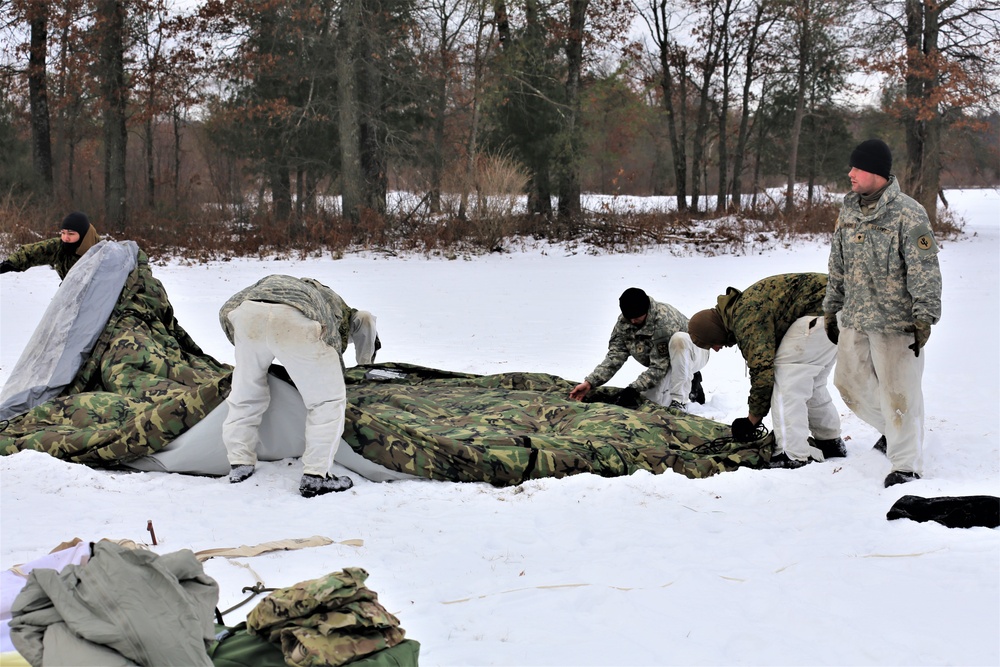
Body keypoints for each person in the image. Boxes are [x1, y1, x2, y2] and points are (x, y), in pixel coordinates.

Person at [823, 138, 942, 488]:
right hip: (856, 317)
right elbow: (837, 265)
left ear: (876, 171)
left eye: (857, 168)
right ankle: (895, 430)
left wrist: (924, 315)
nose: (850, 173)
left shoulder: (908, 213)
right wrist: (832, 307)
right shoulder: (849, 211)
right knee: (848, 383)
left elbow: (925, 269)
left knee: (898, 394)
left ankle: (905, 465)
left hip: (896, 323)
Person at [218, 274, 380, 497]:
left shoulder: (282, 283)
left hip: (248, 314)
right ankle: (316, 476)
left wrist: (250, 346)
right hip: (294, 319)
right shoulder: (338, 309)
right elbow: (331, 348)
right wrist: (340, 376)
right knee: (327, 401)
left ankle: (240, 462)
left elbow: (227, 309)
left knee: (246, 393)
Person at [687, 273, 845, 467]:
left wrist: (752, 420)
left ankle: (791, 453)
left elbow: (763, 373)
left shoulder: (745, 317)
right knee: (811, 382)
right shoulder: (744, 307)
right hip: (843, 308)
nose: (717, 348)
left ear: (714, 330)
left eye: (712, 343)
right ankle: (830, 441)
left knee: (786, 383)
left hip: (822, 314)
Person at [569, 287, 709, 411]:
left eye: (636, 317)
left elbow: (659, 367)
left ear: (646, 310)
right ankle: (688, 380)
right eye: (629, 317)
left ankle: (681, 399)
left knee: (679, 340)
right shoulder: (625, 323)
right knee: (649, 401)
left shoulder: (664, 320)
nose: (633, 322)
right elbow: (615, 356)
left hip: (695, 351)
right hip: (667, 361)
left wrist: (633, 388)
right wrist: (590, 382)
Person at [0, 212, 100, 280]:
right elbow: (31, 252)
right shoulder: (60, 247)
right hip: (72, 299)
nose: (65, 238)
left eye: (71, 234)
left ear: (83, 234)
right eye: (63, 233)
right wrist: (10, 263)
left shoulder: (103, 253)